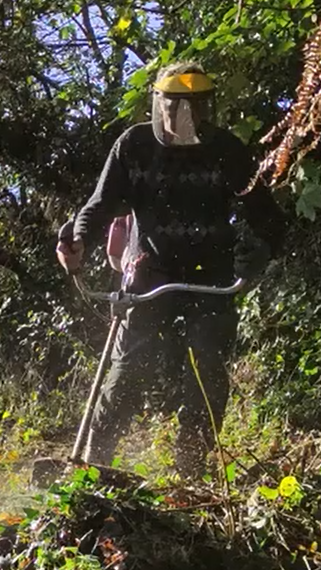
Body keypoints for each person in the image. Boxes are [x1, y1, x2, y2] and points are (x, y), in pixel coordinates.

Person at [55, 61, 287, 478]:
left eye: (194, 107)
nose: (183, 116)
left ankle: (190, 469)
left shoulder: (228, 151)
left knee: (207, 367)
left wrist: (260, 250)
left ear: (208, 108)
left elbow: (267, 216)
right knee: (129, 368)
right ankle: (93, 463)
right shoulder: (134, 146)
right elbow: (100, 204)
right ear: (158, 103)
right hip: (150, 270)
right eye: (175, 105)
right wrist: (78, 242)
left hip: (211, 274)